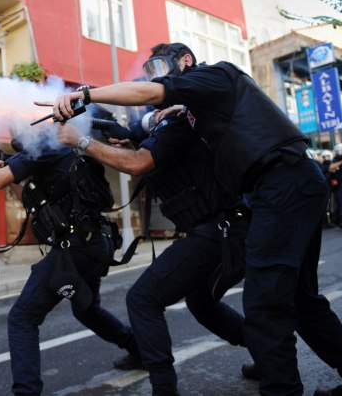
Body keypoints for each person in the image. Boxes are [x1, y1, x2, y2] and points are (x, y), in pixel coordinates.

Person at [49, 42, 342, 396]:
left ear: (185, 61)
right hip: (286, 185)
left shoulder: (217, 73)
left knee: (265, 304)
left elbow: (152, 94)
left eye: (159, 67)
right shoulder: (196, 107)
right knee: (302, 300)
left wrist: (85, 94)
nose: (153, 77)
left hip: (281, 183)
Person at [0, 131, 140, 396]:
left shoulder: (46, 148)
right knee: (87, 310)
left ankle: (26, 391)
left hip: (76, 247)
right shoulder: (51, 157)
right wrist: (9, 171)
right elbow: (30, 201)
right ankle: (139, 349)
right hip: (92, 243)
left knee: (22, 318)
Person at [58, 108, 248, 396]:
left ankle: (164, 388)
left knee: (143, 298)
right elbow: (153, 159)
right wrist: (132, 143)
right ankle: (266, 350)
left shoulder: (180, 121)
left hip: (221, 228)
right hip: (217, 229)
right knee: (202, 303)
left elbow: (137, 164)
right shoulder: (164, 133)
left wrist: (83, 141)